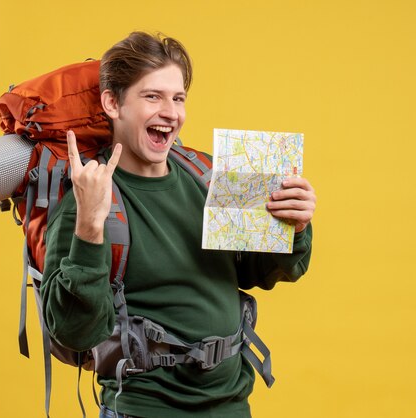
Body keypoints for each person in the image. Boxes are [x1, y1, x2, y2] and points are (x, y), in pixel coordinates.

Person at [40, 31, 316, 418]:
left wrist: (295, 227)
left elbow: (262, 271)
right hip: (144, 409)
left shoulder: (204, 174)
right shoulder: (89, 197)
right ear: (112, 103)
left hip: (231, 405)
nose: (171, 112)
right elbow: (74, 332)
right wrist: (88, 228)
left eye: (178, 97)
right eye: (152, 96)